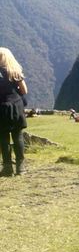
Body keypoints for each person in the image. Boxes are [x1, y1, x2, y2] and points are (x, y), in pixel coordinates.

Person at [0, 48, 28, 176]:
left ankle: (7, 168)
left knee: (3, 138)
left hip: (1, 108)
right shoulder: (14, 71)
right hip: (15, 106)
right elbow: (24, 91)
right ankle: (20, 167)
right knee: (18, 136)